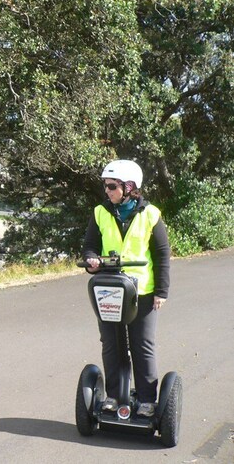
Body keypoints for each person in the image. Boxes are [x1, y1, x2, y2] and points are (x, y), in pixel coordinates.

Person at [82, 159, 170, 418]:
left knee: (142, 345)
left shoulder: (150, 214)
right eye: (105, 186)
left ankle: (146, 400)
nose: (107, 191)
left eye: (112, 186)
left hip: (141, 291)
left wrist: (162, 291)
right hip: (109, 287)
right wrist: (91, 261)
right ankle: (114, 396)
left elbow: (162, 254)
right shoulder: (100, 212)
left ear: (129, 187)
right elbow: (89, 246)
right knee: (112, 344)